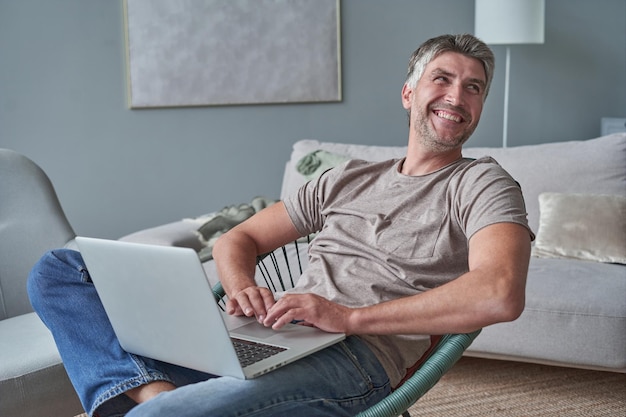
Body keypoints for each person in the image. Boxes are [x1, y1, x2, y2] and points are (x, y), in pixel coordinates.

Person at [28, 33, 534, 417]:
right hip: (269, 334)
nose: (456, 96)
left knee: (162, 415)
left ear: (480, 107)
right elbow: (237, 238)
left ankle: (157, 400)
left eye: (473, 87)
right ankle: (156, 391)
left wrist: (348, 318)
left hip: (355, 359)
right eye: (441, 78)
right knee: (60, 269)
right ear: (408, 93)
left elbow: (499, 294)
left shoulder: (483, 183)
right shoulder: (348, 177)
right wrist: (242, 287)